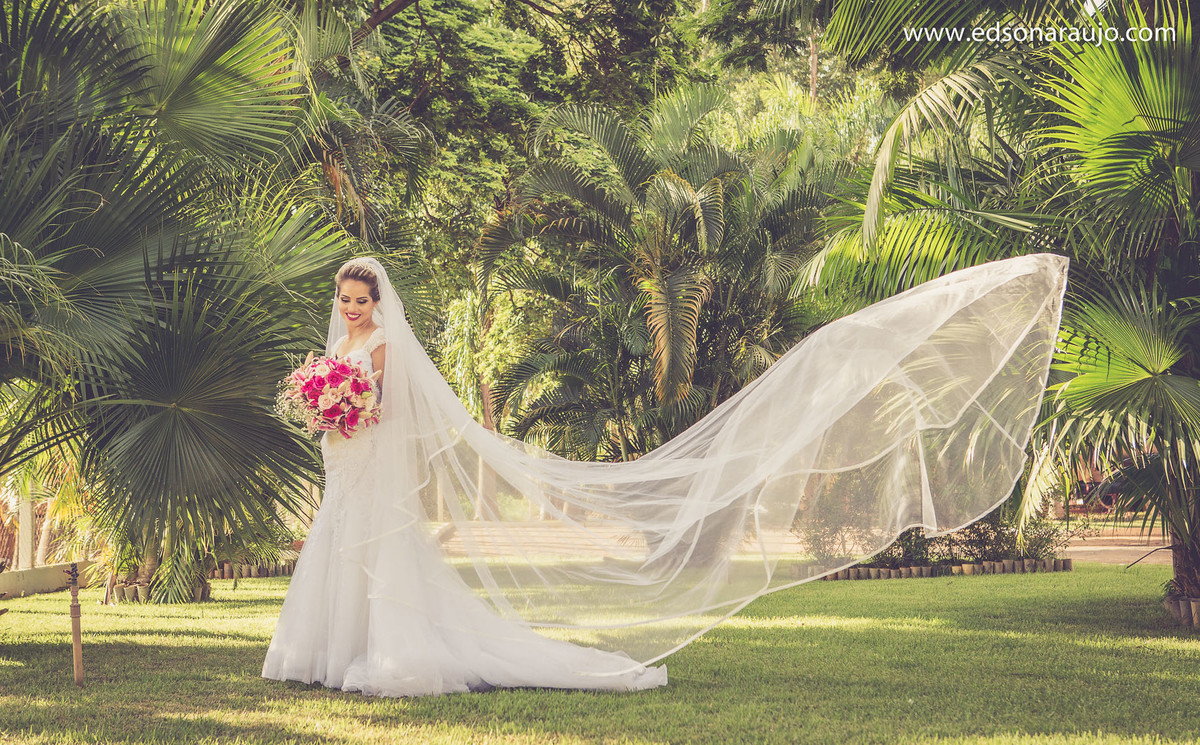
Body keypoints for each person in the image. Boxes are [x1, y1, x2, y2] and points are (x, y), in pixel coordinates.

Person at [263, 253, 1068, 697]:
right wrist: (324, 405)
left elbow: (393, 415)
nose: (352, 305)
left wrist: (348, 410)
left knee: (381, 557)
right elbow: (349, 408)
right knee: (338, 552)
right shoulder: (336, 348)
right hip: (346, 469)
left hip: (368, 461)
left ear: (379, 301)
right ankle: (327, 654)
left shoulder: (387, 349)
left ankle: (392, 655)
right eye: (345, 296)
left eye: (361, 296)